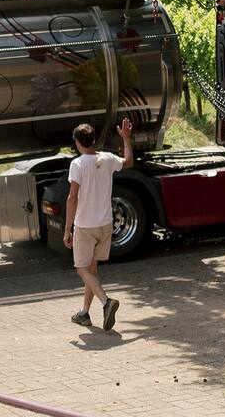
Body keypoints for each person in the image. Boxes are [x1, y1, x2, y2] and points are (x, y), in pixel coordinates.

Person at [63, 117, 133, 331]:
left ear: (77, 142)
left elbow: (72, 198)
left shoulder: (77, 164)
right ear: (93, 140)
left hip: (85, 226)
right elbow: (128, 161)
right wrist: (126, 139)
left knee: (81, 269)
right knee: (92, 270)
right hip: (105, 224)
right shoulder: (109, 158)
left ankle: (106, 302)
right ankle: (84, 313)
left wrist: (67, 229)